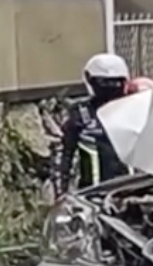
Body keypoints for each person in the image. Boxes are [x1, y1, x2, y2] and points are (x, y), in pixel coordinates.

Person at [56, 52, 131, 195]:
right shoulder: (80, 113)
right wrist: (61, 193)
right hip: (93, 195)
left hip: (131, 192)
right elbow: (63, 156)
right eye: (105, 83)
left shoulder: (135, 109)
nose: (111, 87)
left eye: (115, 82)